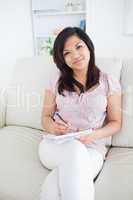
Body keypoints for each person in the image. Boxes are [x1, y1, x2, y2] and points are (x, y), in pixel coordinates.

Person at [38, 27, 122, 200]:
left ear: (88, 46)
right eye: (67, 52)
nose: (75, 55)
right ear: (62, 59)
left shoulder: (109, 82)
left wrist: (94, 135)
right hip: (56, 146)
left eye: (79, 46)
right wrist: (53, 127)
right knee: (74, 150)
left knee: (55, 185)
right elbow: (45, 118)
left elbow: (116, 122)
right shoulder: (56, 79)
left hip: (92, 148)